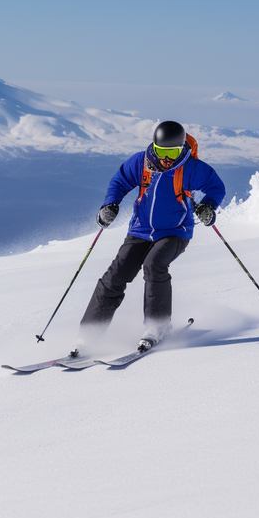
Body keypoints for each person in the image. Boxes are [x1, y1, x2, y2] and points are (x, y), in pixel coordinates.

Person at [72, 120, 225, 355]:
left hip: (175, 231)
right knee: (116, 274)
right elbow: (120, 181)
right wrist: (110, 205)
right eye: (162, 152)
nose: (166, 158)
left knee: (154, 264)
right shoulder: (141, 162)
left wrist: (207, 206)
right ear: (154, 146)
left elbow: (216, 187)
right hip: (140, 230)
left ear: (181, 148)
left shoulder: (191, 168)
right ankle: (89, 335)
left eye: (172, 153)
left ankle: (157, 327)